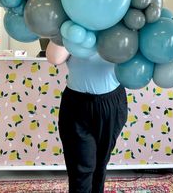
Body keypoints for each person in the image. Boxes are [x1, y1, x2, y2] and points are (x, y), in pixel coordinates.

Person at [50, 43, 128, 193]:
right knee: (81, 167)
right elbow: (54, 57)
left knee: (100, 164)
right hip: (76, 105)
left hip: (112, 104)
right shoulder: (72, 26)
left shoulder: (119, 25)